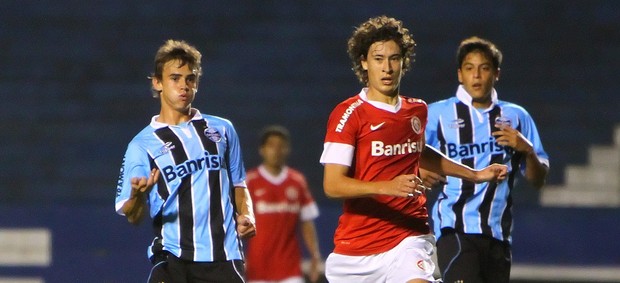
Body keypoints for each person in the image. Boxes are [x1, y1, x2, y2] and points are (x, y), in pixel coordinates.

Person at [319, 16, 508, 283]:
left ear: (403, 63)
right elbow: (333, 185)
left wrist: (475, 175)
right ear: (364, 62)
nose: (387, 68)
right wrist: (388, 186)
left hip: (409, 237)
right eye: (378, 58)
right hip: (356, 251)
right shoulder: (349, 114)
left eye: (394, 58)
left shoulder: (416, 109)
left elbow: (419, 152)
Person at [114, 39, 256, 283]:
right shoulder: (141, 145)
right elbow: (133, 216)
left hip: (225, 257)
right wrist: (138, 195)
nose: (184, 86)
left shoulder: (222, 129)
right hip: (173, 259)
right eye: (175, 78)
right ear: (157, 82)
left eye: (190, 79)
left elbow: (238, 184)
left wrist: (248, 215)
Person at [422, 36, 550, 283]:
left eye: (484, 68)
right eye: (470, 68)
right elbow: (410, 154)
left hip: (498, 234)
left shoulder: (517, 116)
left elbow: (538, 180)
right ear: (460, 74)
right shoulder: (436, 114)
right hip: (454, 228)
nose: (477, 76)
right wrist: (421, 171)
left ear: (497, 73)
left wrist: (527, 150)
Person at [245, 125, 322, 283]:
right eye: (271, 146)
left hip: (290, 268)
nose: (276, 151)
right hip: (257, 269)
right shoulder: (250, 181)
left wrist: (315, 254)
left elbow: (306, 222)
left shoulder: (297, 181)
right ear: (262, 150)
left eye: (281, 146)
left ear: (287, 149)